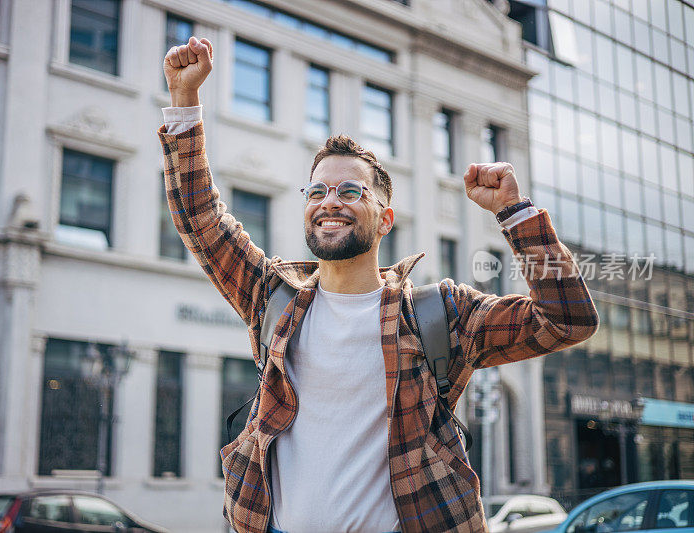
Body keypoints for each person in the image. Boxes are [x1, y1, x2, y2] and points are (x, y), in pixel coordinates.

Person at [158, 36, 599, 533]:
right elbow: (201, 219)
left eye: (351, 191)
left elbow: (567, 320)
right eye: (317, 191)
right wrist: (183, 100)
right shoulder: (274, 299)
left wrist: (516, 215)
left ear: (384, 219)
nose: (330, 202)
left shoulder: (439, 315)